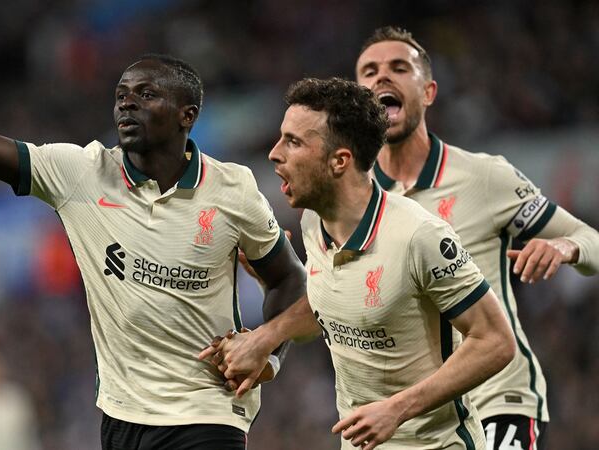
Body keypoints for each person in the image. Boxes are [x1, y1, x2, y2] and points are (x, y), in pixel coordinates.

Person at [0, 32, 306, 450]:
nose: (127, 103)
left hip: (209, 411)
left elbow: (289, 280)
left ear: (186, 115)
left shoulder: (233, 189)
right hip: (122, 415)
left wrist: (267, 351)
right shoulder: (81, 173)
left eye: (146, 94)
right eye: (121, 95)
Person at [200, 77, 516, 449]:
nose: (274, 153)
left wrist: (397, 409)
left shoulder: (419, 236)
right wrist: (266, 337)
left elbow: (496, 341)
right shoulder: (313, 222)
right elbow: (329, 310)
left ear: (339, 161)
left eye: (293, 142)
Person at [354, 26, 599, 449]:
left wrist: (565, 245)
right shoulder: (353, 200)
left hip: (495, 400)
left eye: (399, 67)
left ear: (429, 92)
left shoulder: (483, 177)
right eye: (370, 71)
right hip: (411, 418)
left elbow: (590, 238)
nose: (383, 77)